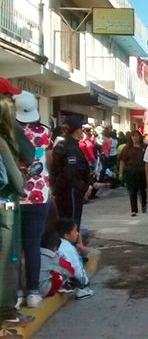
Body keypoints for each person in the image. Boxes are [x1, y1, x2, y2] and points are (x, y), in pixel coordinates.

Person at [13, 91, 54, 308]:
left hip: (14, 195)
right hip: (39, 196)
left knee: (15, 247)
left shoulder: (8, 133)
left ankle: (17, 293)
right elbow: (48, 162)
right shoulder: (46, 133)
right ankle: (33, 292)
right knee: (33, 245)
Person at [0, 92, 34, 329]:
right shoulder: (3, 140)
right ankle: (6, 311)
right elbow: (18, 182)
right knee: (8, 258)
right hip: (5, 205)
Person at [51, 116, 90, 231]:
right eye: (81, 129)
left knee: (66, 221)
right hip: (71, 190)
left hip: (66, 189)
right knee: (72, 223)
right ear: (77, 130)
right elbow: (69, 172)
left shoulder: (62, 144)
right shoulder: (71, 147)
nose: (81, 132)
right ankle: (70, 246)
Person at [56, 218, 94, 300]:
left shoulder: (55, 243)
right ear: (66, 235)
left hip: (53, 278)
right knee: (79, 271)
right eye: (75, 231)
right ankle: (82, 291)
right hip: (63, 279)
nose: (77, 234)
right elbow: (76, 268)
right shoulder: (69, 248)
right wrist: (84, 282)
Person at [119, 130, 147, 217]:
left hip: (142, 172)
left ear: (140, 137)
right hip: (130, 172)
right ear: (131, 137)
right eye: (133, 136)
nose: (135, 137)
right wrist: (120, 173)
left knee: (142, 190)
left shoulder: (144, 147)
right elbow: (122, 161)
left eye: (137, 135)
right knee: (132, 190)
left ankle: (144, 204)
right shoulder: (126, 148)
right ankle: (134, 209)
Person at [39, 231, 75, 298]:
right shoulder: (53, 257)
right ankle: (62, 286)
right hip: (44, 290)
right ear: (55, 248)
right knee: (58, 274)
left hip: (30, 288)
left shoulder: (35, 253)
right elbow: (71, 271)